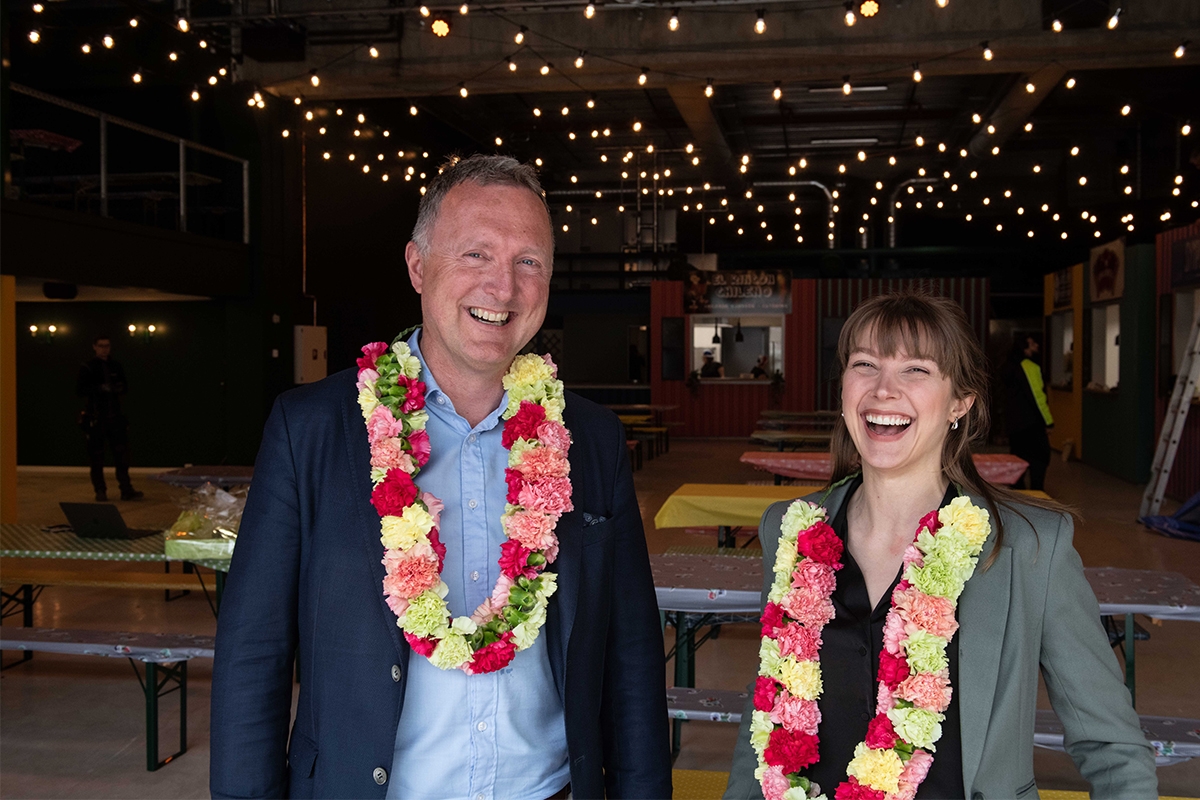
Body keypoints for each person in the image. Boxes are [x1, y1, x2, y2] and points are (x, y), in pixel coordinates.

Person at [210, 155, 672, 799]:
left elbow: (632, 662)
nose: (503, 287)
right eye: (476, 254)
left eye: (528, 261)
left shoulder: (590, 439)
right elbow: (251, 657)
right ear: (418, 266)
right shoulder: (309, 429)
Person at [725, 293, 1155, 800]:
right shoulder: (791, 530)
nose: (884, 390)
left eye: (915, 370)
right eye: (865, 364)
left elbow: (1112, 746)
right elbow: (768, 716)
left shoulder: (1030, 545)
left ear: (961, 402)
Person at [76, 335, 141, 502]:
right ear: (95, 347)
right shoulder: (88, 367)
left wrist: (117, 388)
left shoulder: (115, 365)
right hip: (97, 417)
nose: (105, 349)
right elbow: (80, 390)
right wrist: (100, 389)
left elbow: (124, 386)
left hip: (115, 417)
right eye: (101, 346)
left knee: (122, 456)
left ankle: (126, 489)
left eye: (107, 345)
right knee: (96, 458)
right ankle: (100, 490)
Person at [1004, 336, 1054, 491]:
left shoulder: (1007, 367)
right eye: (1032, 344)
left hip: (1014, 424)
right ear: (1025, 349)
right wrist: (1049, 421)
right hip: (1032, 424)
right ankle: (1036, 495)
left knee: (1018, 461)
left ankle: (1018, 496)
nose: (1036, 345)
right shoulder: (1030, 367)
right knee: (1040, 459)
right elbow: (1038, 397)